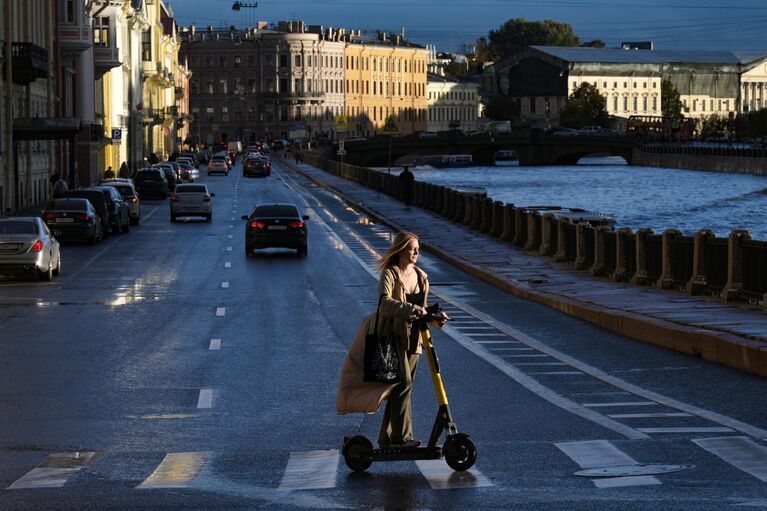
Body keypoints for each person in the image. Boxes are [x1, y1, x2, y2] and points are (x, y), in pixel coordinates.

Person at [335, 231, 447, 450]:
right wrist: (414, 310)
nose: (416, 252)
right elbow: (385, 303)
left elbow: (423, 311)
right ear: (400, 249)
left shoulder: (421, 276)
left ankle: (387, 438)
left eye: (418, 249)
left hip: (415, 340)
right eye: (412, 248)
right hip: (391, 337)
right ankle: (401, 438)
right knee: (402, 383)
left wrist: (435, 320)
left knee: (402, 388)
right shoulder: (391, 274)